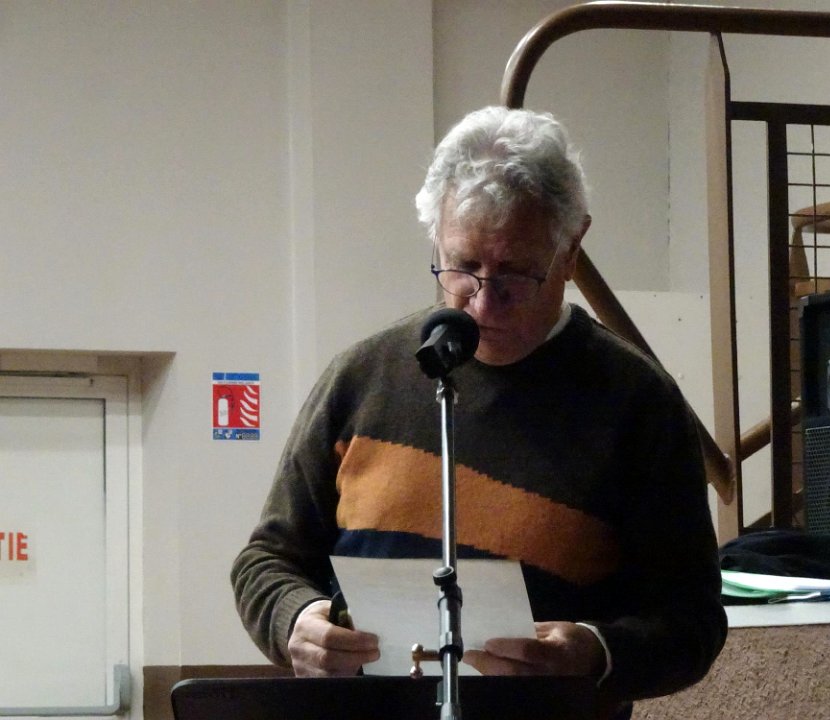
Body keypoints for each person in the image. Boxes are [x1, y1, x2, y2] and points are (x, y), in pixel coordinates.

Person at [231, 106, 726, 718]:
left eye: (515, 273)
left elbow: (693, 620)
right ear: (436, 238)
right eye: (463, 266)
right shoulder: (360, 379)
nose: (484, 302)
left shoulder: (638, 404)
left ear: (571, 249)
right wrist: (296, 620)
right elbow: (266, 560)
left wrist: (596, 652)